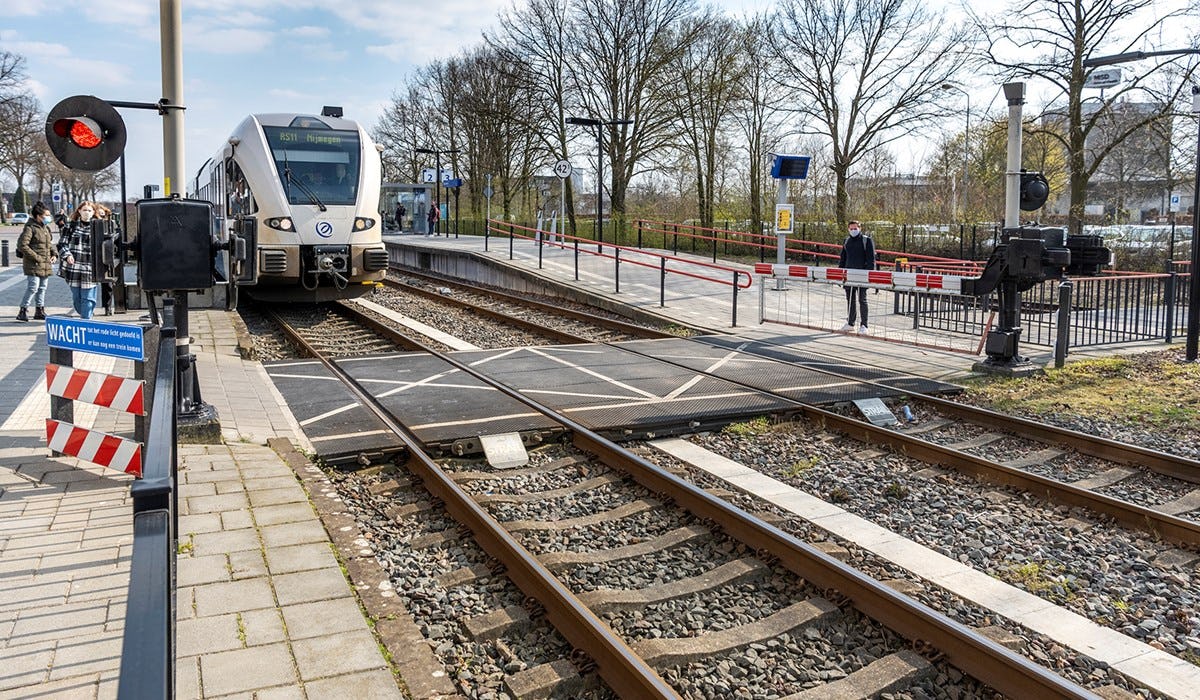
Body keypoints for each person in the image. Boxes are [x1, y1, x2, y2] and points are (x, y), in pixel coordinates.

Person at [15, 201, 57, 322]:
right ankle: (23, 310)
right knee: (33, 287)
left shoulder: (46, 228)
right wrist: (36, 257)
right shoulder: (30, 228)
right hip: (33, 264)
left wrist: (54, 254)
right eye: (46, 215)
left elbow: (49, 244)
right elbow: (22, 245)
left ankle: (39, 310)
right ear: (39, 216)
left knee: (42, 287)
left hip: (45, 264)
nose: (49, 217)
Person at [58, 201, 101, 319]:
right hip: (74, 268)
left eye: (89, 210)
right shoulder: (70, 226)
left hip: (90, 268)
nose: (87, 212)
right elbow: (62, 244)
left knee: (87, 298)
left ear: (93, 212)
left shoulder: (98, 227)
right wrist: (67, 255)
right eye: (84, 210)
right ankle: (86, 314)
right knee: (77, 298)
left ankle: (86, 321)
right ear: (79, 211)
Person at [838, 219, 876, 334]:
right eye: (851, 228)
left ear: (860, 228)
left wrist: (868, 274)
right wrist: (840, 273)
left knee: (862, 300)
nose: (853, 230)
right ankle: (850, 323)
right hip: (849, 275)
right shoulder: (847, 241)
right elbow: (843, 259)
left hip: (862, 275)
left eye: (855, 228)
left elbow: (871, 260)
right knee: (850, 300)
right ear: (848, 229)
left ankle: (864, 325)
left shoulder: (866, 241)